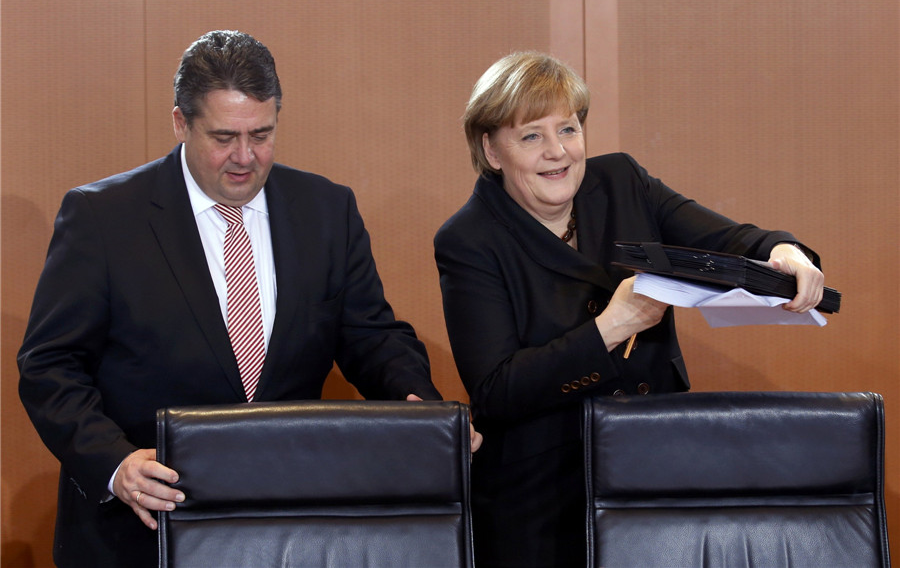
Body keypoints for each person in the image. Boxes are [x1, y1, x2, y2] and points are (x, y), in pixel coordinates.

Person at [18, 30, 449, 568]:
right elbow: (49, 366)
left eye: (262, 134)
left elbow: (370, 335)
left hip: (288, 526)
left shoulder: (326, 209)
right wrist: (114, 464)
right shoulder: (103, 217)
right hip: (140, 530)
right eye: (223, 137)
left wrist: (417, 403)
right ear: (181, 122)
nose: (245, 157)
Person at [434, 51, 825, 568]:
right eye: (531, 136)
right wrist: (610, 329)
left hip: (654, 468)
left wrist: (784, 250)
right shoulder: (468, 239)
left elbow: (729, 241)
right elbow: (496, 390)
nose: (558, 153)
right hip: (541, 501)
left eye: (568, 129)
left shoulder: (621, 181)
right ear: (491, 148)